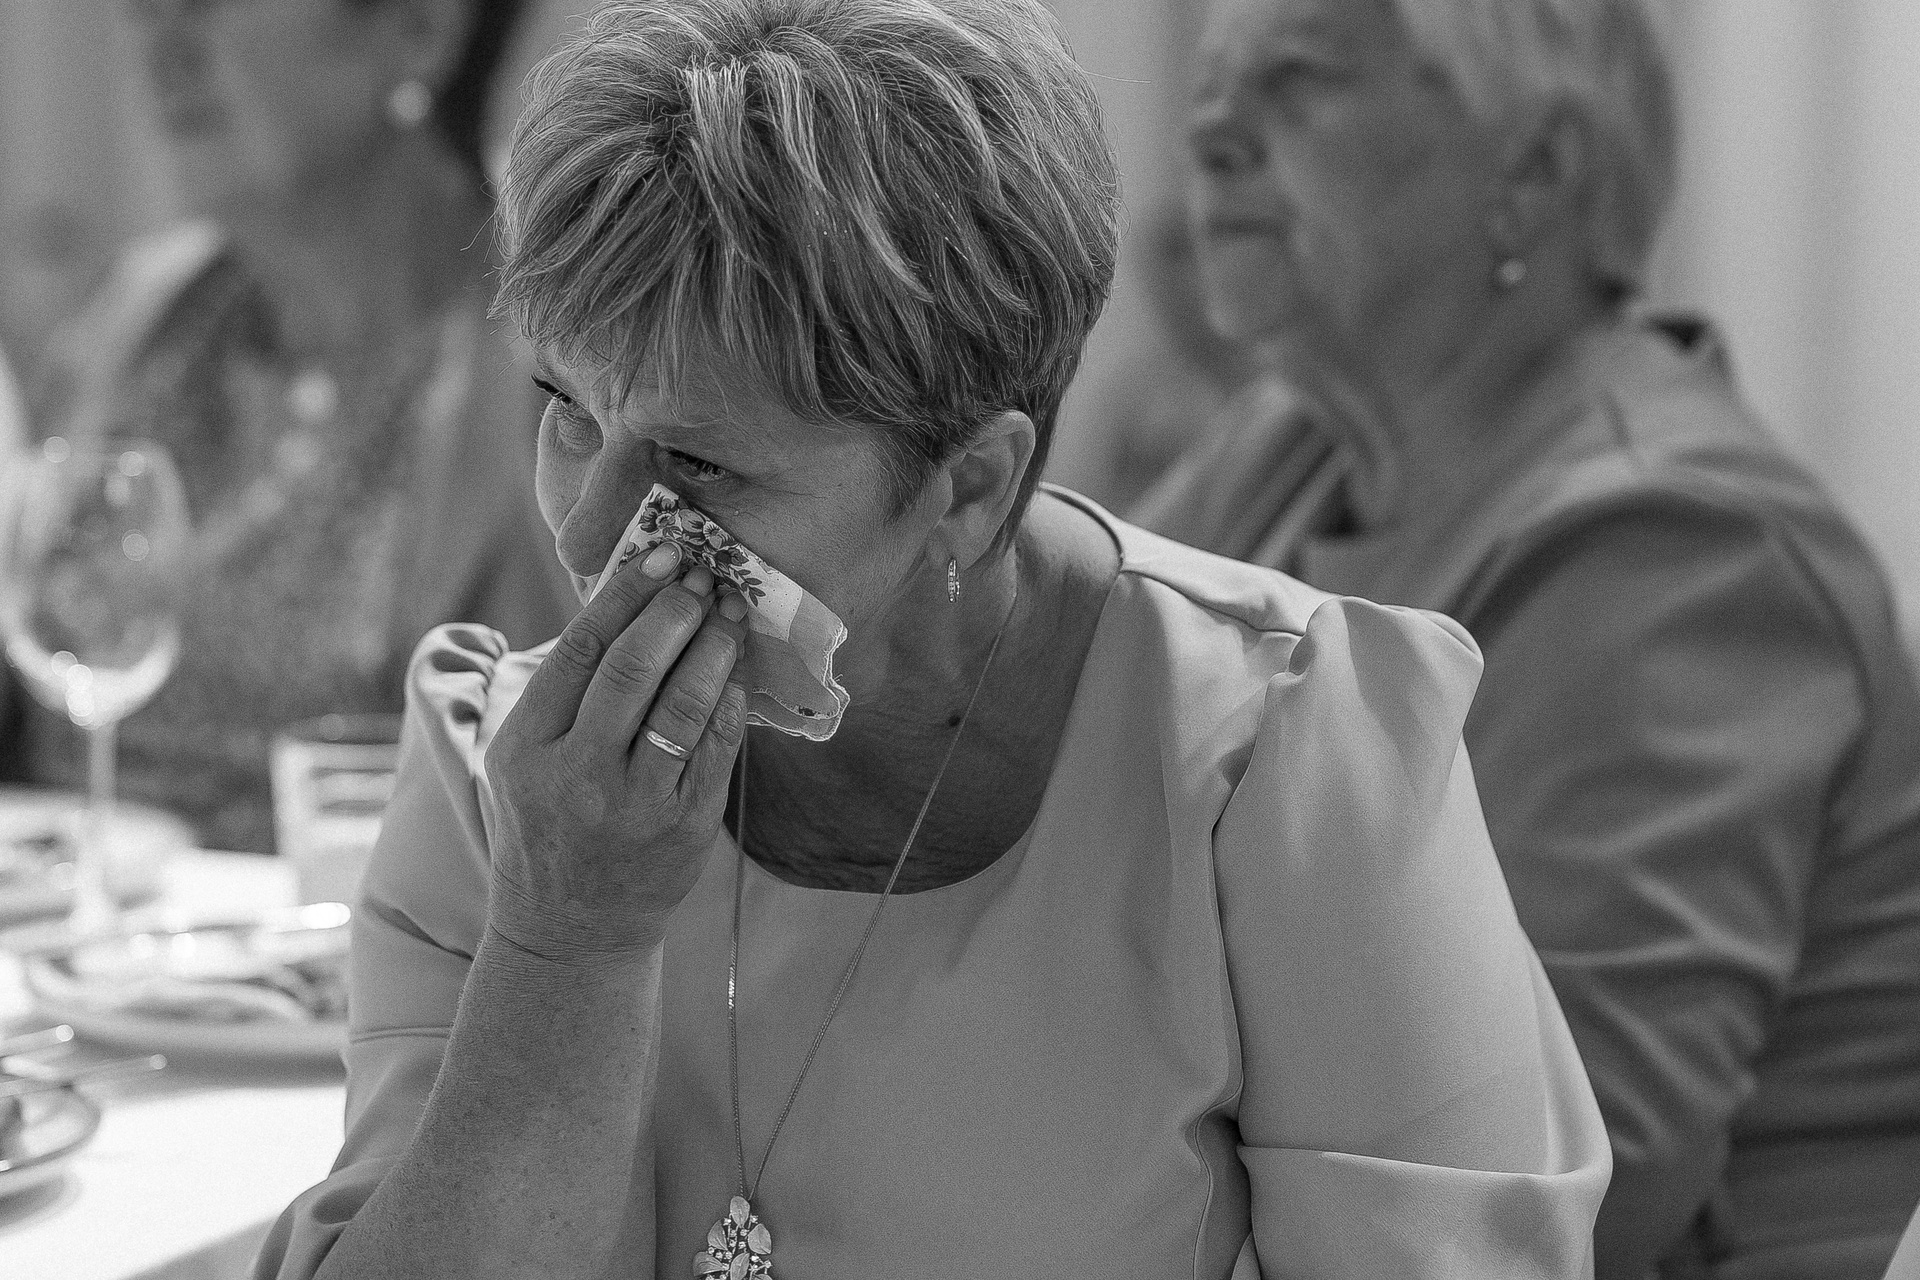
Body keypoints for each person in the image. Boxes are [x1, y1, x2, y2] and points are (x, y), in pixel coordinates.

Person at [255, 2, 1611, 1277]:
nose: (590, 533)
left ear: (970, 484)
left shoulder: (1284, 756)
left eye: (699, 465)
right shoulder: (504, 774)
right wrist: (566, 942)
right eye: (566, 408)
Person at [1134, 1, 1920, 1276]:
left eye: (1298, 76)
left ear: (1535, 170)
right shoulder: (1283, 449)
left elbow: (1555, 1183)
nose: (1211, 132)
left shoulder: (1678, 540)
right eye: (1214, 82)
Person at [2, 0, 575, 853]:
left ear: (420, 28)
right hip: (81, 913)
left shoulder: (562, 366)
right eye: (147, 6)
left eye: (208, 1)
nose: (164, 44)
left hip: (356, 924)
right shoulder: (136, 322)